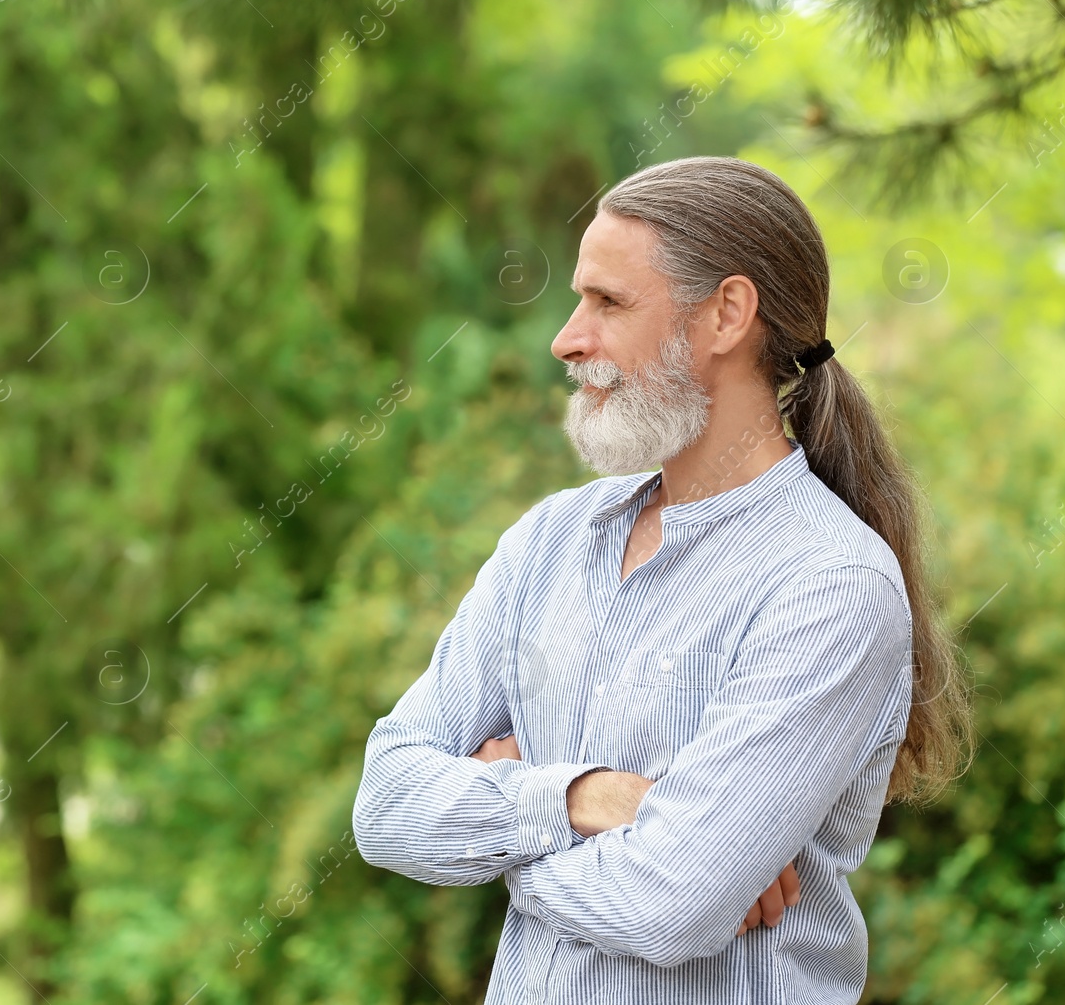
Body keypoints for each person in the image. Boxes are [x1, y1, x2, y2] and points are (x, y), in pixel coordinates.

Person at [351, 156, 972, 1003]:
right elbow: (385, 805)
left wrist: (500, 830)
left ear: (726, 314)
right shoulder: (550, 541)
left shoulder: (832, 585)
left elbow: (667, 903)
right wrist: (583, 798)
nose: (566, 338)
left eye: (609, 302)